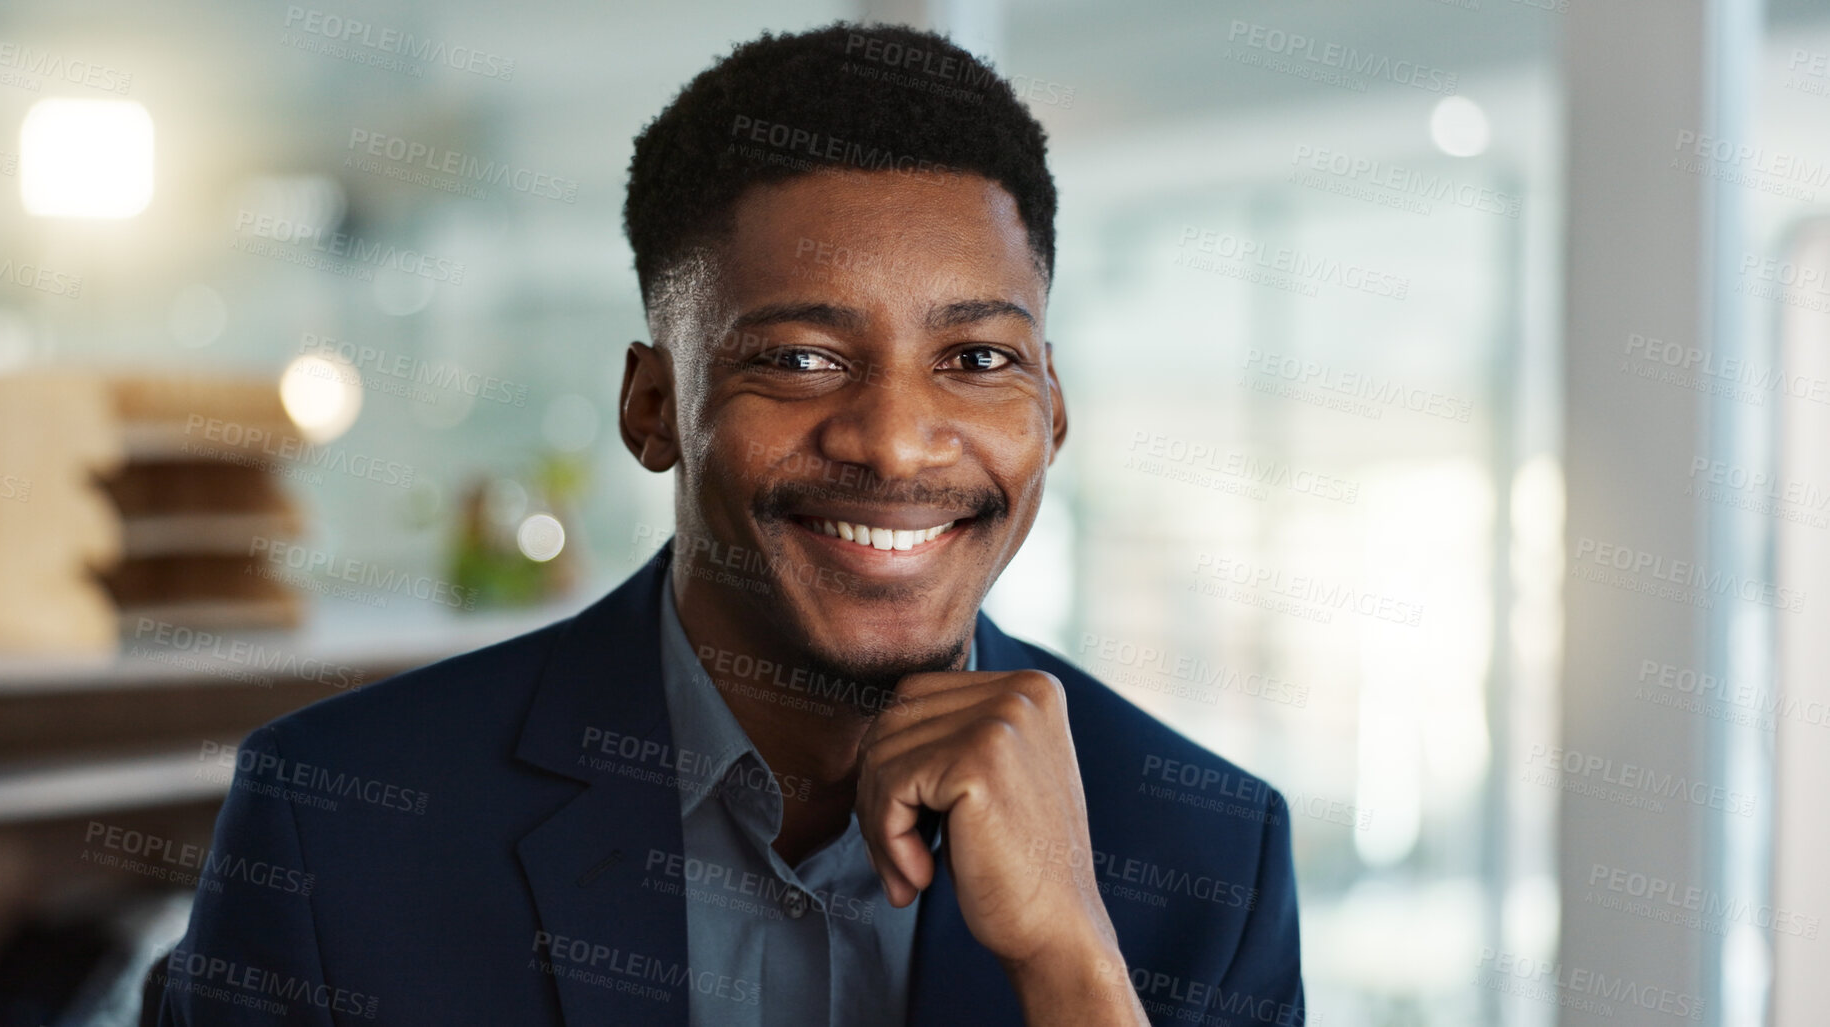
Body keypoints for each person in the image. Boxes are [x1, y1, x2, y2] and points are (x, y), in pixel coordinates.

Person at [150, 21, 1305, 1027]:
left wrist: (1071, 966)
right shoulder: (339, 821)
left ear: (1050, 411)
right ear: (654, 406)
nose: (898, 442)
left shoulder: (1207, 853)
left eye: (976, 358)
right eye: (799, 359)